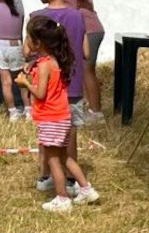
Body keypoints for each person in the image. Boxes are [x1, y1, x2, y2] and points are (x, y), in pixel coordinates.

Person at [14, 15, 98, 211]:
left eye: (28, 37)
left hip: (51, 119)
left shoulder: (44, 65)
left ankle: (62, 198)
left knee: (53, 161)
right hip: (62, 117)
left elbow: (41, 93)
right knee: (65, 158)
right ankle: (86, 189)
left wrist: (25, 83)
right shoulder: (52, 60)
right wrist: (31, 67)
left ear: (38, 42)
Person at [30, 0, 89, 199]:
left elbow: (29, 51)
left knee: (47, 134)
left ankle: (46, 175)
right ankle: (73, 179)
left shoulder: (37, 18)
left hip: (48, 88)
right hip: (73, 86)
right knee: (69, 135)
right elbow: (86, 53)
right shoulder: (77, 15)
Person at [43, 0, 105, 123]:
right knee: (80, 68)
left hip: (89, 27)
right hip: (85, 28)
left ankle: (96, 112)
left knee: (87, 69)